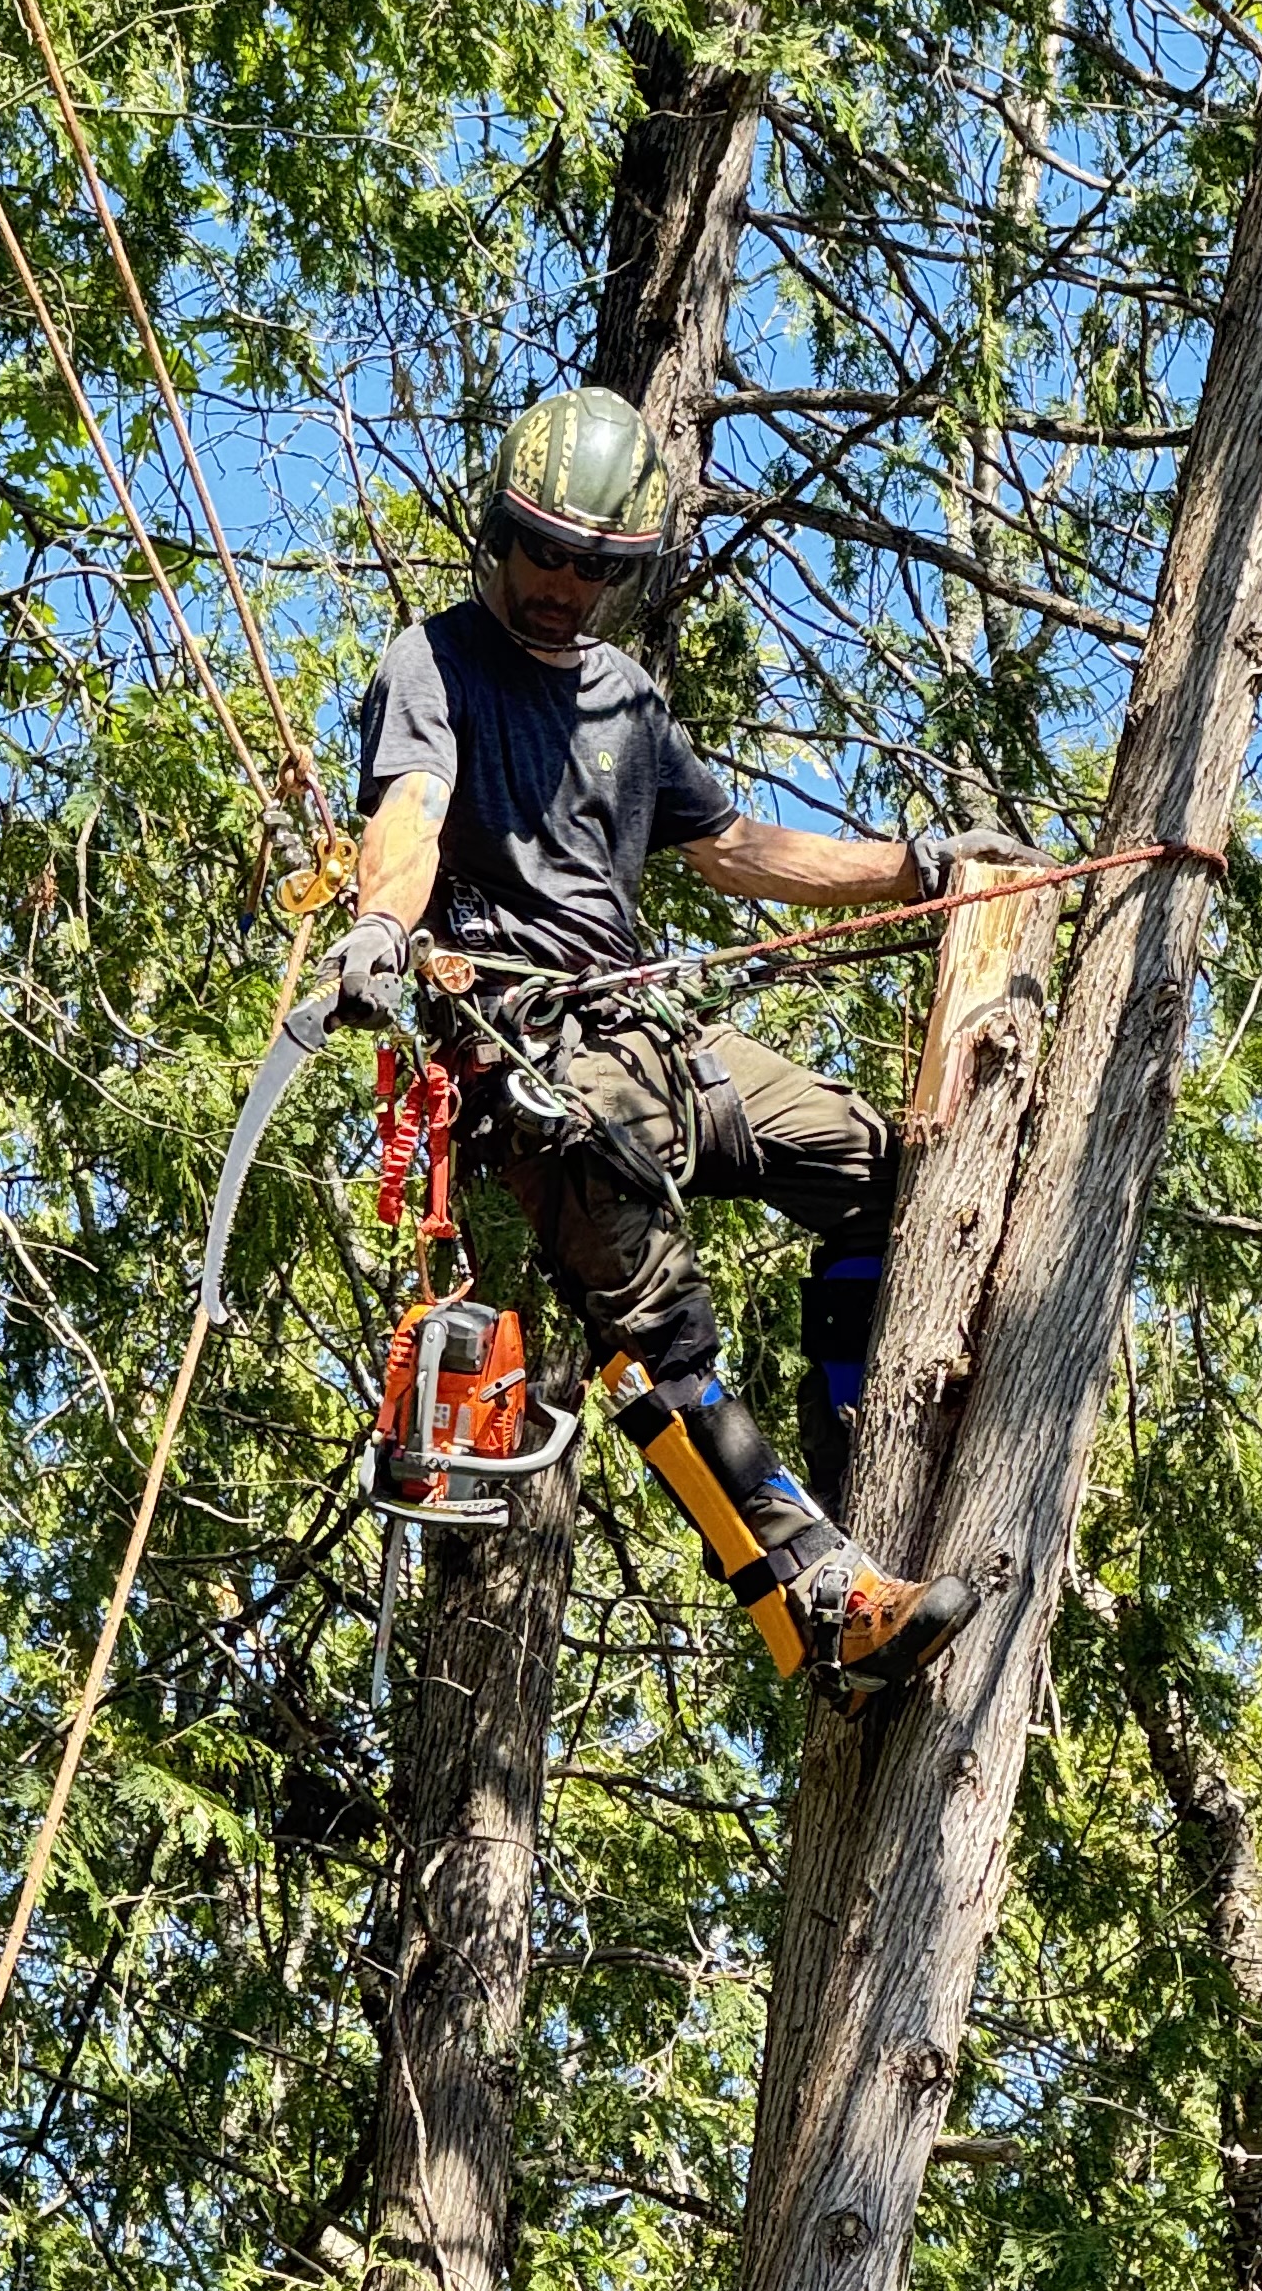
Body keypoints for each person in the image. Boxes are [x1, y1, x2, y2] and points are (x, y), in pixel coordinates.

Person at [334, 385, 1031, 1707]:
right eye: (547, 550)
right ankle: (823, 1610)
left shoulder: (627, 700)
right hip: (527, 1047)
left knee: (880, 1174)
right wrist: (381, 924)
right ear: (502, 531)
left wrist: (916, 865)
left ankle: (850, 1459)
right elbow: (413, 811)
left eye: (597, 564)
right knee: (659, 1328)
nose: (565, 581)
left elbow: (730, 849)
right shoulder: (436, 665)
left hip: (651, 1033)